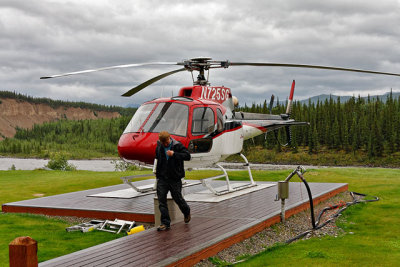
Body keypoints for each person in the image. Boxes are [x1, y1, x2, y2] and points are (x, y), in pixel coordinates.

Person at [155, 131, 191, 231]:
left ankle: (186, 211)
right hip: (162, 178)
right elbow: (158, 160)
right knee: (161, 200)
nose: (165, 145)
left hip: (175, 178)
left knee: (177, 198)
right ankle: (165, 223)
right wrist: (158, 175)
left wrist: (174, 154)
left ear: (169, 138)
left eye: (166, 143)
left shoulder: (177, 145)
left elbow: (187, 156)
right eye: (163, 143)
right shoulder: (159, 147)